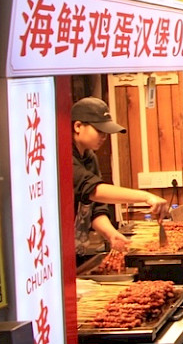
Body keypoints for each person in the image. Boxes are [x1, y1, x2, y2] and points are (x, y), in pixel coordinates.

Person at [72, 97, 169, 256]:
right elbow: (92, 190)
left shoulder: (90, 158)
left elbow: (96, 206)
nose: (104, 137)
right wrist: (145, 196)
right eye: (100, 130)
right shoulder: (62, 157)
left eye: (106, 132)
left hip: (77, 250)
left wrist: (110, 233)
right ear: (78, 126)